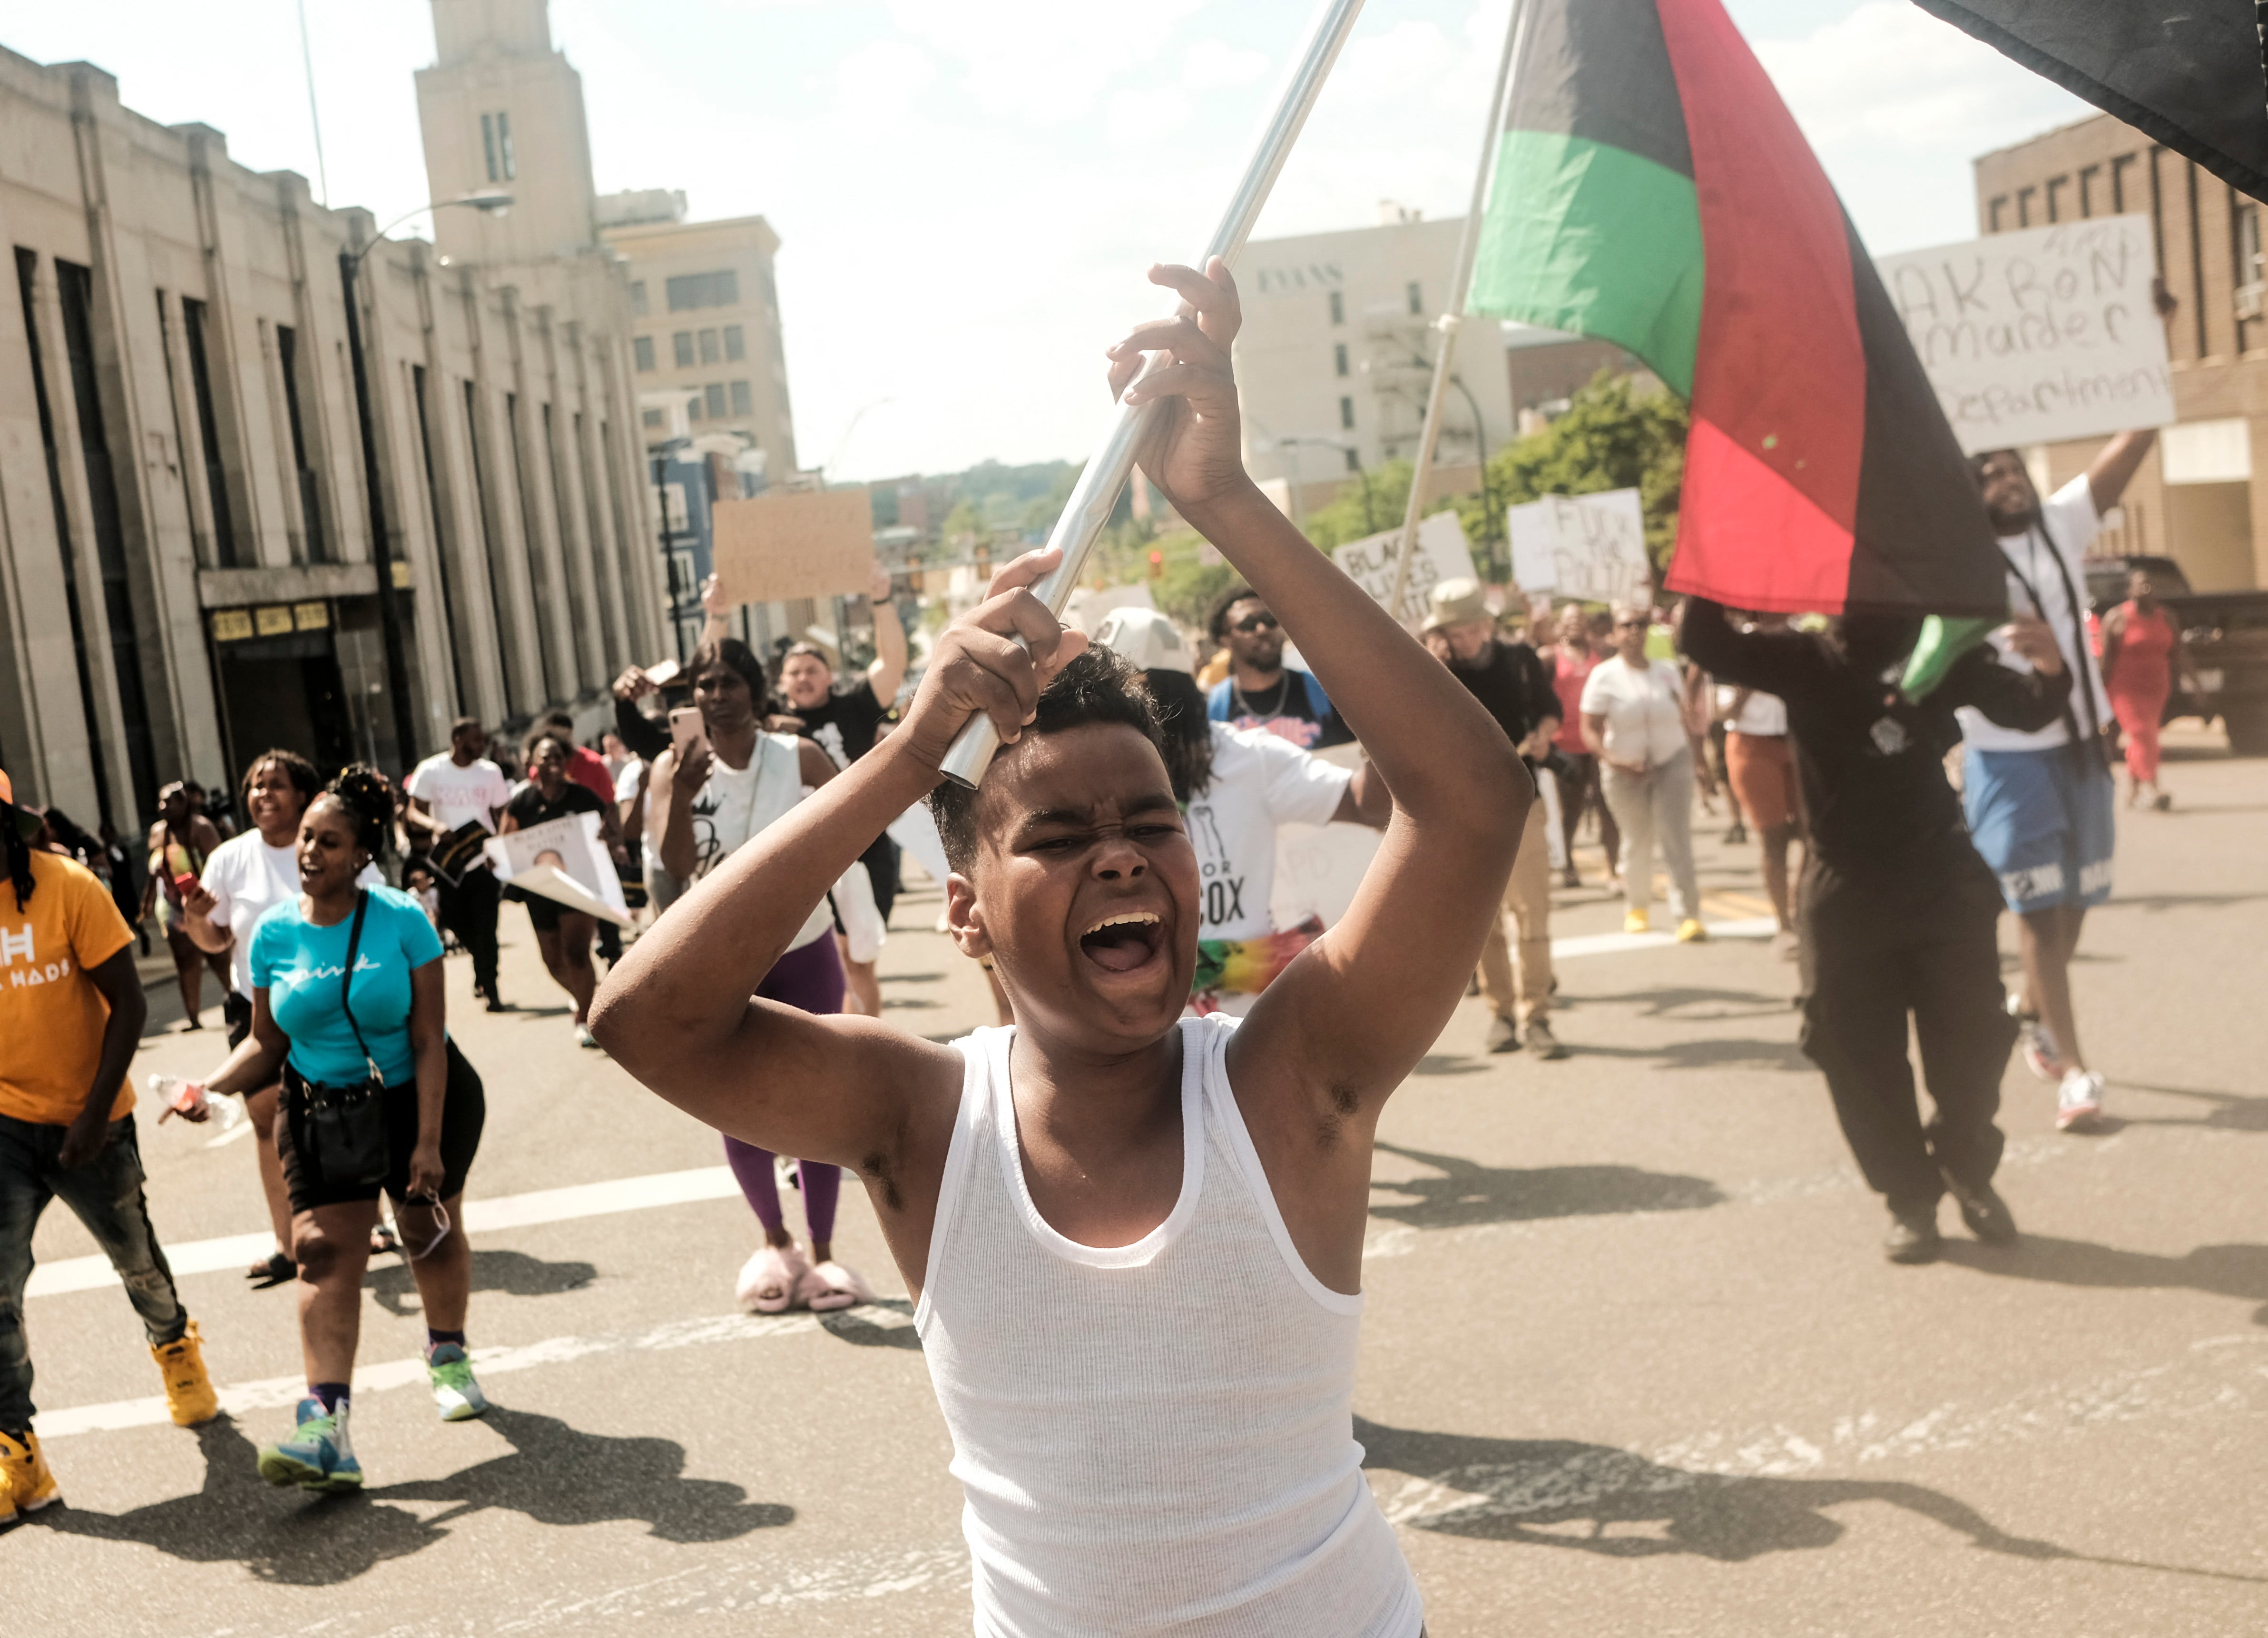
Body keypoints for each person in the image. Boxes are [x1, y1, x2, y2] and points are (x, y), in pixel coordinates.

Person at [593, 256, 1525, 1636]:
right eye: (1053, 835)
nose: (1115, 850)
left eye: (1147, 818)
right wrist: (909, 749)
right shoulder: (919, 1118)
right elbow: (642, 1019)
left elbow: (1471, 802)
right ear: (960, 911)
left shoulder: (1285, 1081)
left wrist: (1222, 501)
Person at [1681, 599, 2074, 1262]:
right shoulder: (1804, 659)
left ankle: (1965, 1166)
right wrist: (1724, 560)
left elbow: (2026, 707)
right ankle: (1908, 1198)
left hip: (1942, 878)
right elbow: (1705, 641)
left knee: (1973, 1042)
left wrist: (2050, 666)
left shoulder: (1940, 648)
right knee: (1853, 1050)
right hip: (1846, 888)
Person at [195, 767, 489, 1491]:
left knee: (424, 1228)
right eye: (305, 838)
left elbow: (428, 1040)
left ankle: (447, 1354)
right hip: (322, 1108)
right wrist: (211, 1087)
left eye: (329, 841)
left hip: (418, 1097)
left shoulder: (401, 920)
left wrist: (425, 1143)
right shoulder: (273, 933)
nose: (311, 851)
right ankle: (327, 1429)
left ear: (361, 853)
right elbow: (266, 1042)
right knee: (322, 1252)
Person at [0, 767, 219, 1525]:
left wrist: (95, 1114)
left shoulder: (70, 887)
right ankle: (17, 1451)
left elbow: (128, 1002)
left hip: (89, 1115)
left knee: (137, 1260)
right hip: (3, 1122)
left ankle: (174, 1345)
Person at [648, 636, 875, 1313]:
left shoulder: (795, 754)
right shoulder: (673, 767)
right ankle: (776, 1242)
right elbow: (672, 862)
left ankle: (827, 1256)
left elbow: (853, 816)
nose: (713, 694)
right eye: (703, 685)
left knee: (818, 1099)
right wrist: (684, 793)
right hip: (720, 959)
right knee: (734, 1102)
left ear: (753, 689)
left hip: (804, 946)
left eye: (727, 682)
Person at [1963, 431, 2156, 1131]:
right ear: (1968, 486)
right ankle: (2071, 1068)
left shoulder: (2057, 523)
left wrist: (2147, 342)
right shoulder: (1952, 552)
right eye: (1991, 472)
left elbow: (2132, 448)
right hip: (2006, 753)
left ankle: (2035, 1004)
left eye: (2015, 469)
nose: (2008, 480)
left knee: (2078, 896)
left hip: (2080, 742)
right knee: (2038, 911)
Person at [1090, 605, 1389, 1017]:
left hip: (1248, 1030)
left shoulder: (1250, 757)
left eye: (1118, 695)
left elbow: (1366, 805)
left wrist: (1378, 714)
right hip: (1134, 1025)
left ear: (1153, 692)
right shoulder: (1087, 776)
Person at [182, 750, 383, 1285]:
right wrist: (198, 920)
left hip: (333, 1001)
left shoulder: (334, 844)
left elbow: (377, 911)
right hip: (257, 1006)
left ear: (303, 795)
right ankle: (287, 1241)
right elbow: (217, 940)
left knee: (353, 1107)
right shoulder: (228, 858)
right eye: (254, 786)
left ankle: (372, 1216)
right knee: (269, 1119)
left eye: (275, 785)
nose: (262, 795)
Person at [1421, 579, 1565, 1058]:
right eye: (1448, 632)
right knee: (1483, 920)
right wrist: (1431, 670)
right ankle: (1501, 1012)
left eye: (1463, 631)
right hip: (1461, 810)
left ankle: (1537, 1015)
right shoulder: (1432, 670)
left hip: (1520, 804)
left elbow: (1549, 711)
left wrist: (1543, 736)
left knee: (1533, 914)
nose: (1457, 641)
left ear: (1485, 624)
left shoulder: (1520, 659)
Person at [772, 566, 910, 1018]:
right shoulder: (769, 728)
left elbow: (891, 664)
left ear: (830, 676)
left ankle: (866, 1043)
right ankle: (845, 1044)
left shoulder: (853, 707)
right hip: (806, 857)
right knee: (833, 956)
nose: (803, 678)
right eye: (794, 672)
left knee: (859, 959)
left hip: (866, 852)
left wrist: (881, 601)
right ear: (781, 684)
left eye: (812, 669)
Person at [1581, 603, 1711, 939]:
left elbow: (1686, 720)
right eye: (1627, 625)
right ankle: (1637, 906)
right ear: (1614, 634)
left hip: (1672, 762)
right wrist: (1612, 760)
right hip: (1624, 771)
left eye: (1641, 624)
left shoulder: (1667, 670)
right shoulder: (1604, 676)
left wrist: (1700, 763)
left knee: (1676, 839)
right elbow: (1590, 729)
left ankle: (1688, 915)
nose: (1635, 631)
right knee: (1637, 841)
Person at [499, 730, 619, 1048]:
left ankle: (587, 1018)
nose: (552, 763)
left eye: (557, 757)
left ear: (565, 761)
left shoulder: (583, 798)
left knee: (576, 952)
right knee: (552, 960)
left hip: (580, 887)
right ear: (532, 763)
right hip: (539, 890)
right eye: (545, 757)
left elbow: (612, 827)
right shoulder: (523, 802)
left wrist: (609, 840)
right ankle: (589, 1000)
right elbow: (504, 844)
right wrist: (497, 861)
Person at [1710, 617, 1804, 955]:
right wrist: (1747, 683)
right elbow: (1719, 711)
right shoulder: (1739, 643)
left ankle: (1803, 909)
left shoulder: (1804, 638)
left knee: (1812, 834)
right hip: (1753, 744)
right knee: (1773, 837)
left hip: (1799, 741)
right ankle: (1784, 925)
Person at [406, 717, 512, 1013]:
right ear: (457, 739)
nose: (482, 745)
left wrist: (499, 845)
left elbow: (504, 812)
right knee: (454, 920)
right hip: (447, 865)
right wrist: (436, 826)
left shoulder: (490, 772)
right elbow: (414, 813)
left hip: (482, 860)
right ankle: (482, 964)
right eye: (476, 740)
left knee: (487, 927)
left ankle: (491, 988)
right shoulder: (431, 770)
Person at [1205, 582, 1353, 748]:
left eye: (1270, 620)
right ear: (1225, 640)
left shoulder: (1322, 691)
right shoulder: (1216, 707)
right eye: (1248, 624)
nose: (1263, 630)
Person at [2100, 565, 2192, 812]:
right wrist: (2098, 697)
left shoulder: (2167, 617)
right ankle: (2154, 788)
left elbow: (2179, 653)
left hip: (2157, 687)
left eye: (2150, 584)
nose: (2146, 588)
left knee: (2146, 735)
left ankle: (2133, 789)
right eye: (2141, 584)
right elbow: (2106, 661)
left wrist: (2196, 683)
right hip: (2124, 689)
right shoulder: (2116, 618)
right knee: (2141, 733)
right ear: (2129, 590)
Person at [141, 780, 229, 1029]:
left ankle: (238, 998)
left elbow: (217, 867)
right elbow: (153, 871)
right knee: (185, 962)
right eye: (160, 802)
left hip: (204, 901)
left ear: (183, 803)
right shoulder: (158, 832)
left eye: (168, 802)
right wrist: (147, 901)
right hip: (172, 905)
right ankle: (193, 1017)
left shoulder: (202, 828)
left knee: (218, 956)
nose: (163, 807)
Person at [1546, 605, 1620, 889]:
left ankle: (1613, 869)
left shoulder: (1601, 654)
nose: (1575, 623)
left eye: (1580, 619)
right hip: (1566, 745)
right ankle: (1568, 865)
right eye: (1569, 619)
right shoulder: (1550, 657)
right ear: (1560, 626)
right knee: (1571, 812)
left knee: (1607, 807)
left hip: (1600, 744)